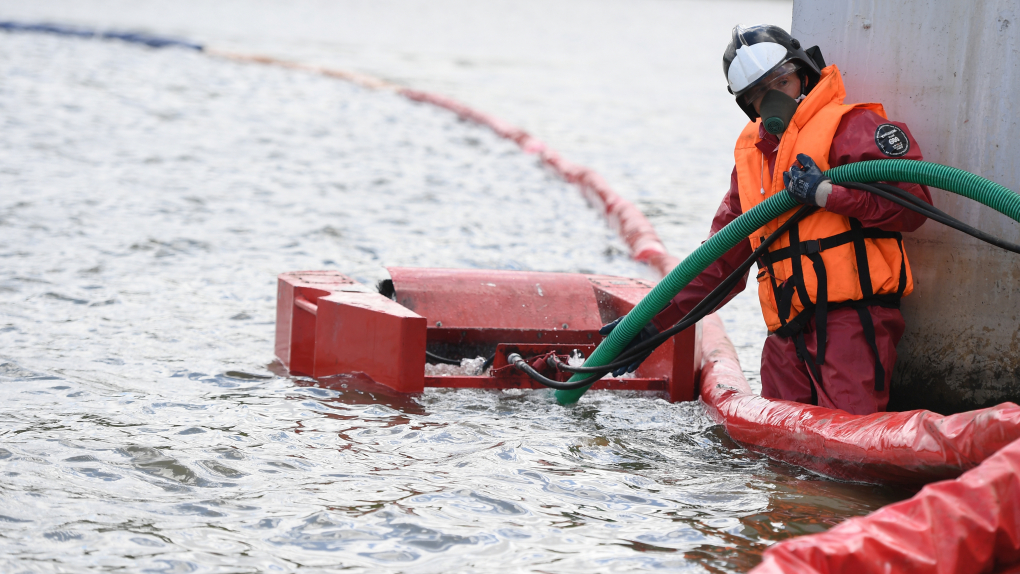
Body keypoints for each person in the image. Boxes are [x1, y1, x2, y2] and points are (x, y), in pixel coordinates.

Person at [604, 24, 931, 415]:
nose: (773, 99)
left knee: (845, 446)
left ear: (804, 75)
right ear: (748, 105)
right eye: (759, 95)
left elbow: (914, 204)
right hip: (783, 338)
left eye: (782, 82)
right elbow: (721, 261)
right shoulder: (752, 159)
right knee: (775, 458)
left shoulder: (850, 128)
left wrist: (827, 193)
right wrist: (652, 325)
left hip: (851, 326)